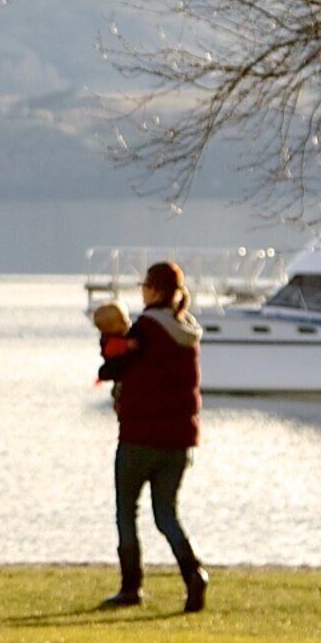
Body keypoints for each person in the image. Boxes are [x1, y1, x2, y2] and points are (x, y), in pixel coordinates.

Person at [93, 259, 207, 612]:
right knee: (166, 516)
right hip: (179, 441)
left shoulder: (144, 329)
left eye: (144, 285)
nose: (141, 290)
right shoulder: (187, 329)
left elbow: (113, 367)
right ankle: (194, 575)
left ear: (154, 290)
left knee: (126, 512)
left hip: (140, 437)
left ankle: (131, 588)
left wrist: (106, 345)